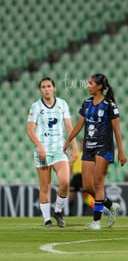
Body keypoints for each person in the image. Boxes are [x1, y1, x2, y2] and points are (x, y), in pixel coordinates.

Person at [63, 73, 127, 230]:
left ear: (99, 86)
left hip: (103, 147)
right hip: (88, 147)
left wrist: (121, 151)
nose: (87, 85)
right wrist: (68, 141)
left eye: (90, 83)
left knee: (98, 183)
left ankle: (96, 222)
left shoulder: (109, 104)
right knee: (87, 186)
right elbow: (78, 125)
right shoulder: (86, 103)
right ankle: (111, 205)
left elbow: (117, 130)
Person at [27, 77, 78, 227]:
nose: (46, 89)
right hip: (42, 152)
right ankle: (47, 219)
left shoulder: (62, 104)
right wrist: (39, 146)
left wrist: (75, 147)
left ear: (54, 88)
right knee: (45, 186)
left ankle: (58, 211)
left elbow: (69, 127)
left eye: (49, 86)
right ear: (40, 90)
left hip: (59, 150)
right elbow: (30, 129)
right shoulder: (36, 107)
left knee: (65, 182)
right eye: (43, 87)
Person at [68, 139, 94, 216]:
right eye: (81, 144)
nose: (82, 145)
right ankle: (70, 213)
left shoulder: (87, 155)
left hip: (83, 176)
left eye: (84, 144)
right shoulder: (75, 154)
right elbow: (71, 167)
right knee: (71, 195)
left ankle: (84, 213)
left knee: (84, 196)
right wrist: (69, 177)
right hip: (76, 176)